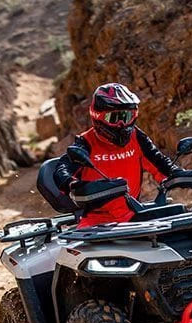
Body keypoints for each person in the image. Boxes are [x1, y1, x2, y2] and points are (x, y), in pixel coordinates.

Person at [54, 83, 182, 228]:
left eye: (127, 116)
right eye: (114, 118)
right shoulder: (86, 142)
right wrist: (74, 185)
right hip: (96, 221)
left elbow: (158, 161)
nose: (122, 124)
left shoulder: (136, 136)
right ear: (98, 116)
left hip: (134, 215)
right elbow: (61, 170)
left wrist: (177, 173)